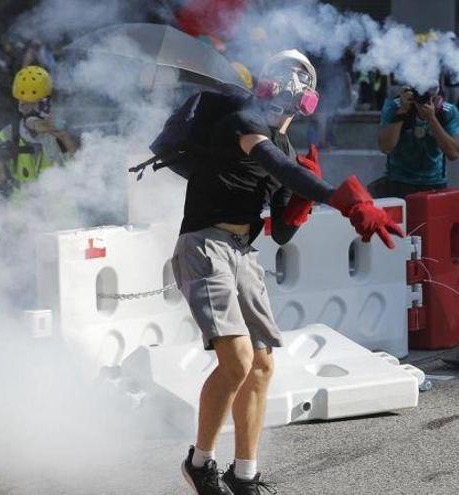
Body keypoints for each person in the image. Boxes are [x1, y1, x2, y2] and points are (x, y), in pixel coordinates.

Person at [174, 49, 404, 495]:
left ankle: (244, 476)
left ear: (304, 103)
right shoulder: (243, 124)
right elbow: (277, 167)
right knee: (237, 360)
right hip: (205, 244)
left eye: (291, 90)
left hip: (243, 252)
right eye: (277, 86)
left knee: (261, 365)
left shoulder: (284, 148)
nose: (280, 98)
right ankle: (200, 463)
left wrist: (300, 202)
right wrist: (342, 199)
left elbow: (278, 232)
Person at [0, 65, 77, 197]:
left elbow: (80, 168)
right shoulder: (8, 133)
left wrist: (63, 137)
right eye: (25, 105)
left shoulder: (60, 130)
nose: (31, 110)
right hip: (24, 212)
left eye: (36, 104)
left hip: (58, 209)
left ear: (47, 104)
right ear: (19, 105)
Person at [372, 84, 459, 198]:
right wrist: (402, 111)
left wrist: (432, 119)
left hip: (434, 183)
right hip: (398, 181)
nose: (424, 101)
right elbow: (385, 147)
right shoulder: (395, 107)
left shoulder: (447, 111)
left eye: (430, 97)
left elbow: (453, 154)